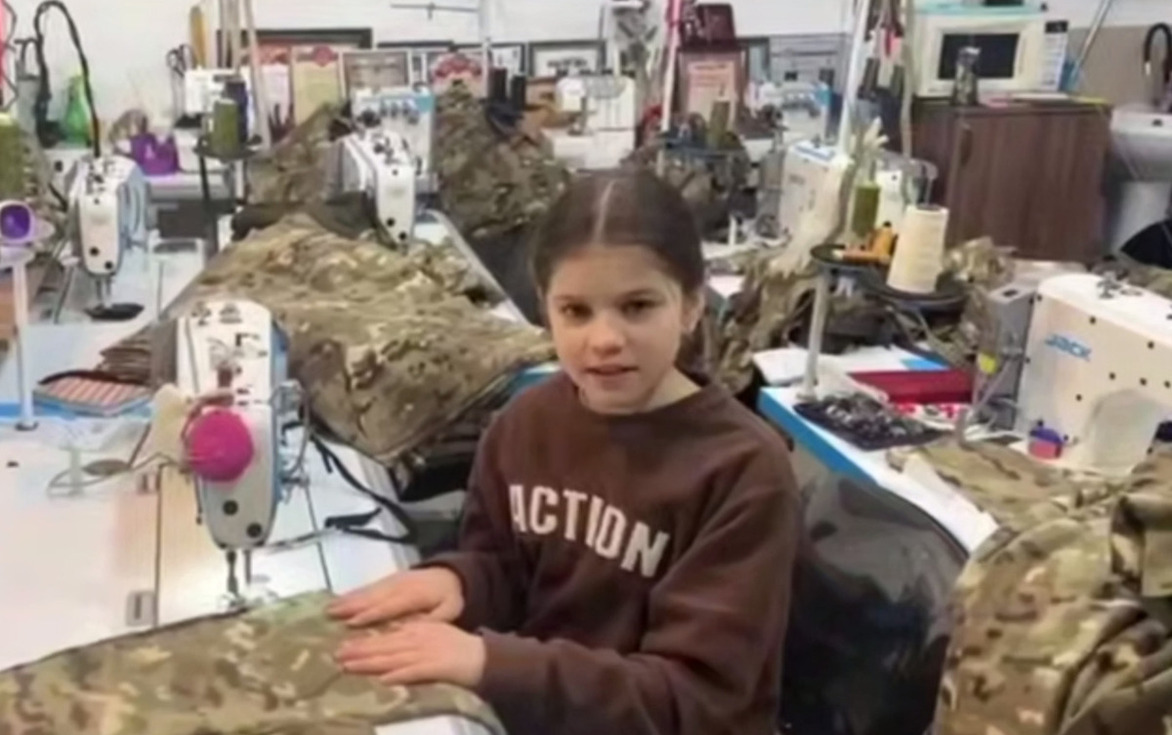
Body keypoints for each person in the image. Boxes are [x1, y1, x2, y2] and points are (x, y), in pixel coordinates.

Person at [329, 169, 800, 735]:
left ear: (692, 305)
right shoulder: (526, 425)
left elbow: (694, 700)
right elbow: (507, 567)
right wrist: (461, 584)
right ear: (545, 308)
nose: (604, 339)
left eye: (637, 306)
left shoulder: (743, 471)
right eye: (575, 311)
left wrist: (491, 663)